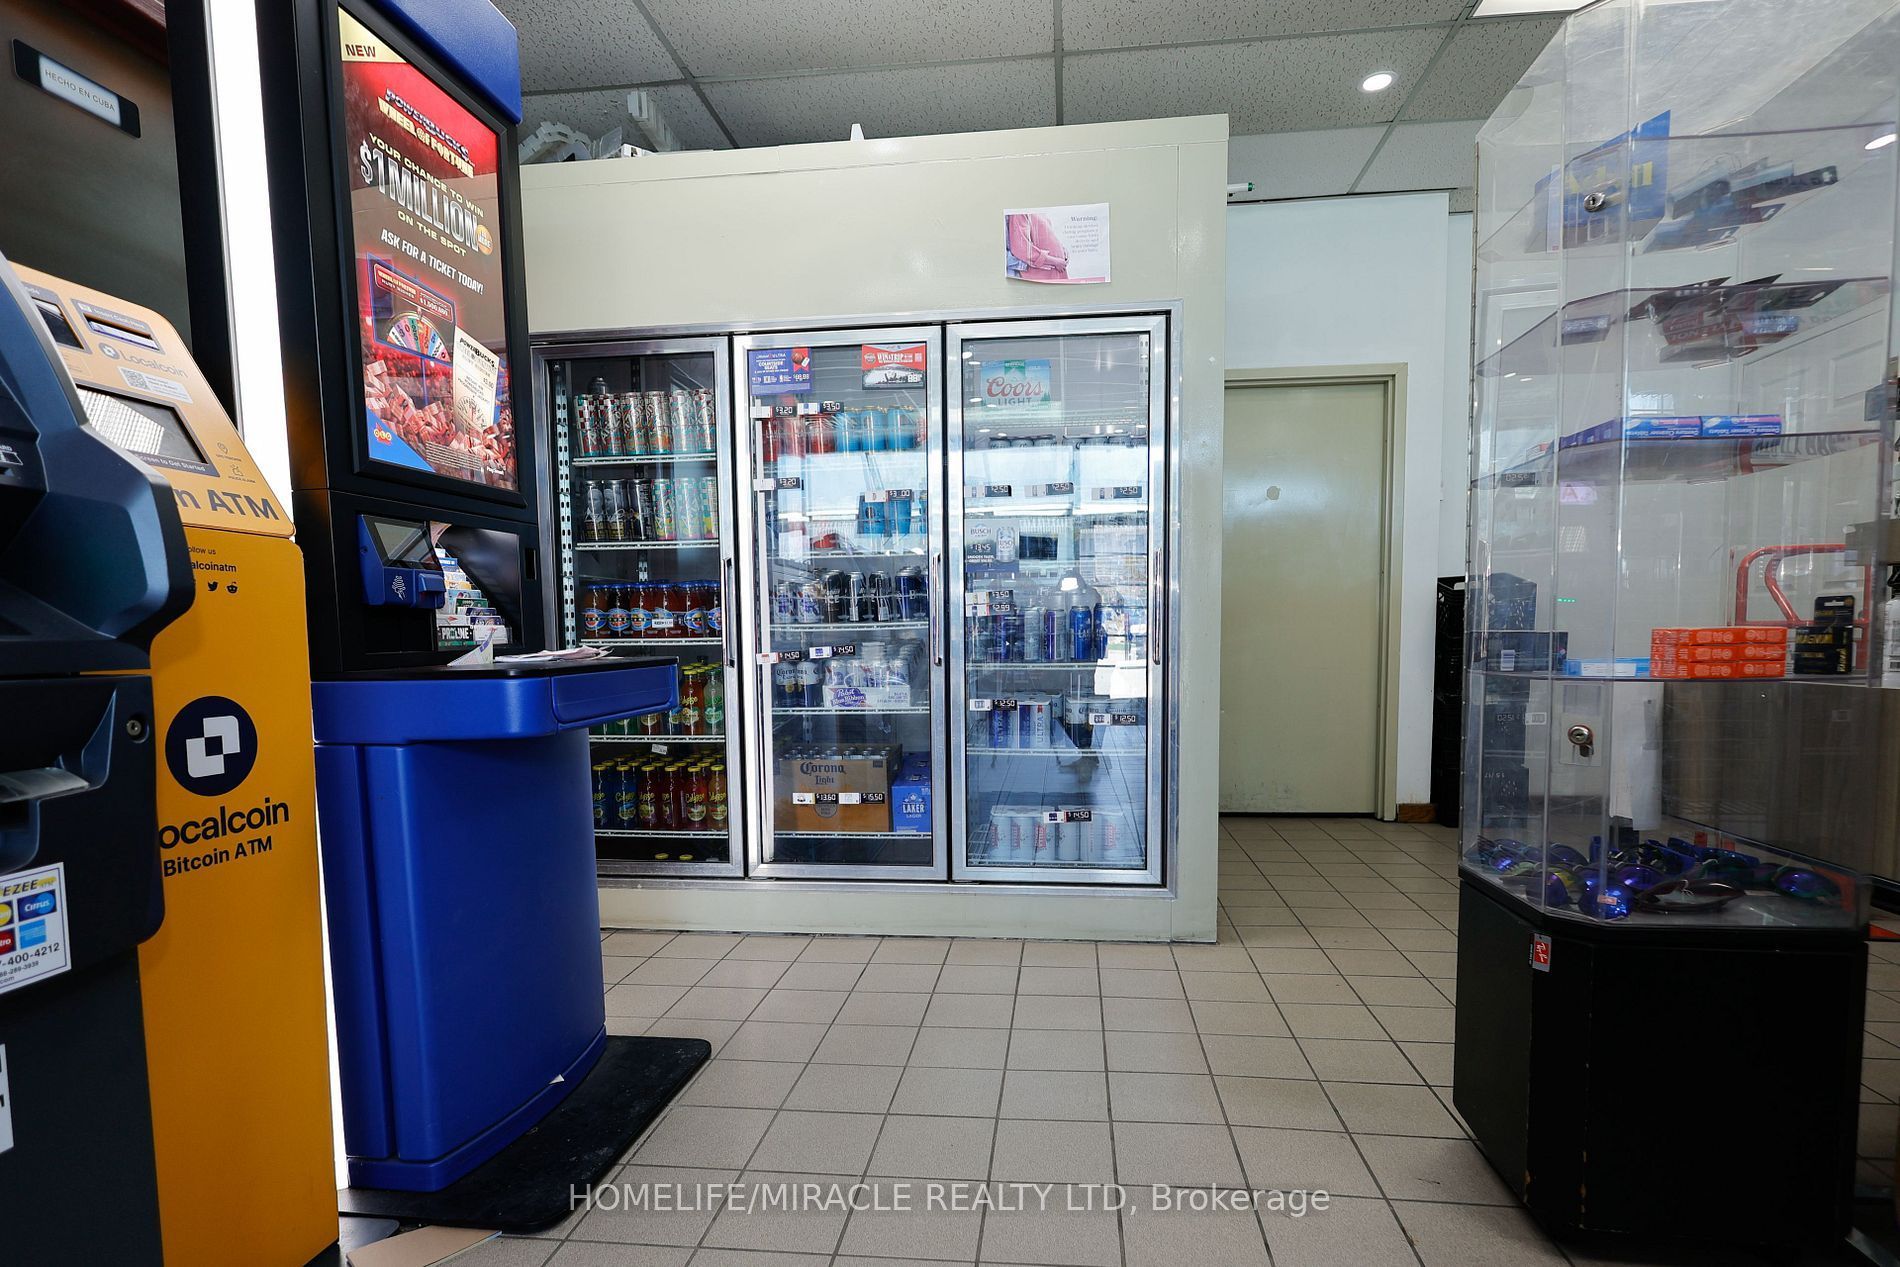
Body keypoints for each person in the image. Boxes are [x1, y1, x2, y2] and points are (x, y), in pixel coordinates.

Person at [1006, 212, 1070, 282]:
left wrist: (1062, 250)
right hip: (1043, 272)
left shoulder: (1040, 212)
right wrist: (1055, 261)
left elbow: (1046, 236)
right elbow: (1022, 249)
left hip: (1055, 270)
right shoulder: (1019, 214)